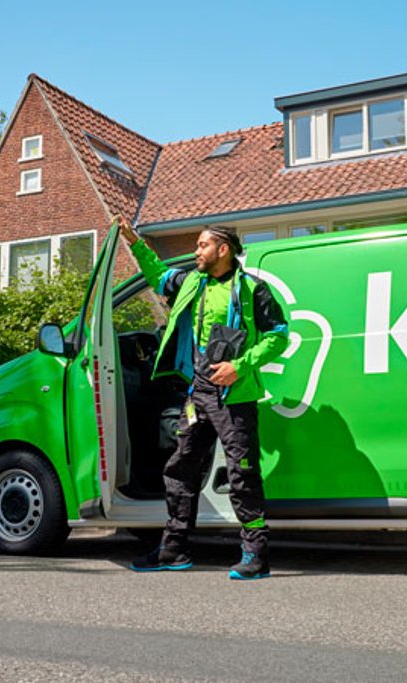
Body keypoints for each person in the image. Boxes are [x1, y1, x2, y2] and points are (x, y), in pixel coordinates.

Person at [118, 216, 289, 580]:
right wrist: (134, 242)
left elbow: (279, 335)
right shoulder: (191, 282)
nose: (196, 251)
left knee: (242, 473)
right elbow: (158, 277)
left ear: (222, 250)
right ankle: (174, 549)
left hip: (235, 397)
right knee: (181, 468)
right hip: (197, 395)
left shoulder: (251, 289)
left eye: (202, 245)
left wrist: (239, 367)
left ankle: (255, 555)